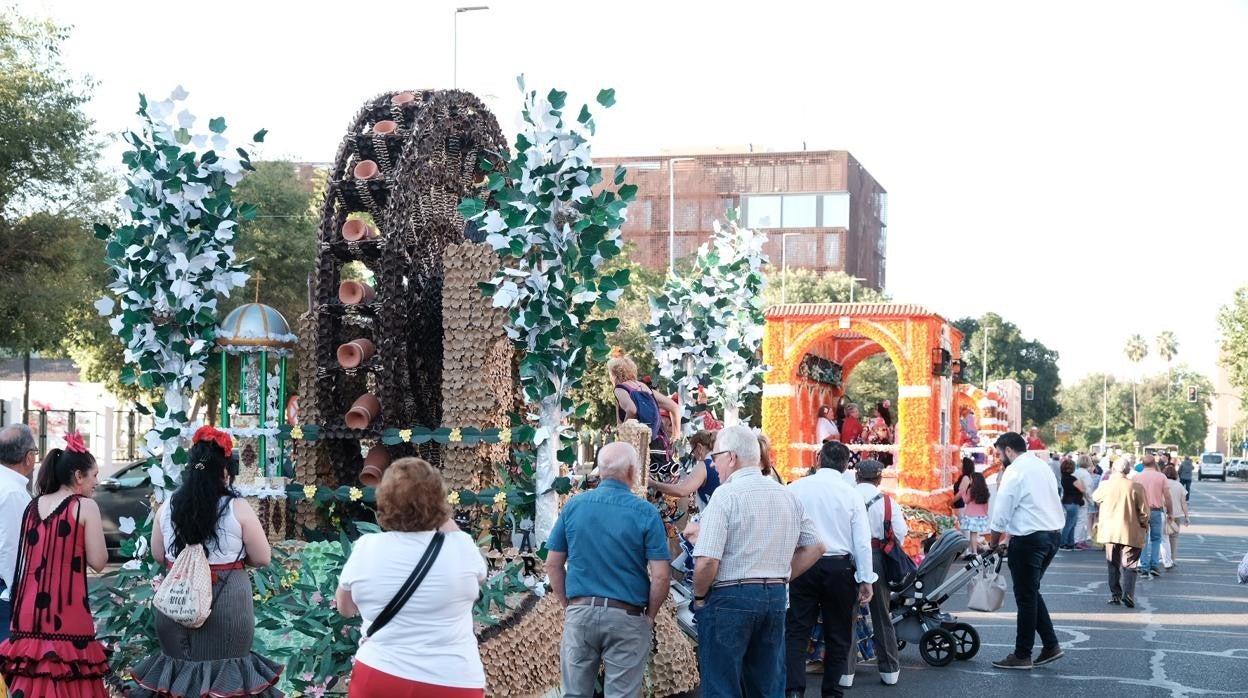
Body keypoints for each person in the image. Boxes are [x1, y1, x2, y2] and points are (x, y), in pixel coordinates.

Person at [132, 426, 281, 697]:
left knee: (177, 674)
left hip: (177, 603)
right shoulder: (237, 508)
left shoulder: (168, 507)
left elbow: (158, 554)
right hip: (226, 605)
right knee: (226, 677)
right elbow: (262, 557)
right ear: (224, 471)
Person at [691, 424, 825, 697]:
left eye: (714, 456)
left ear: (731, 457)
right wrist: (783, 576)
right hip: (774, 595)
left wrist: (700, 596)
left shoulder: (726, 494)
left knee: (722, 684)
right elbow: (816, 546)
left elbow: (707, 560)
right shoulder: (786, 494)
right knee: (767, 684)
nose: (713, 464)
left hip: (730, 595)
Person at [337, 457, 486, 697]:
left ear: (383, 501)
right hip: (452, 677)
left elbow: (345, 609)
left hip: (380, 674)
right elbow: (479, 579)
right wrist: (435, 512)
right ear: (440, 499)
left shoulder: (366, 548)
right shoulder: (461, 546)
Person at [547, 442, 669, 697]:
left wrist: (568, 605)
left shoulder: (574, 506)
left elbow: (553, 563)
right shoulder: (646, 513)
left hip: (581, 611)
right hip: (627, 615)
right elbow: (660, 575)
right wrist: (650, 616)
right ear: (633, 472)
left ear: (600, 472)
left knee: (574, 694)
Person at [0, 432, 109, 697]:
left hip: (28, 609)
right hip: (66, 607)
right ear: (78, 476)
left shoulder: (33, 505)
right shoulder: (84, 506)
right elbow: (98, 561)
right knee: (70, 678)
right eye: (94, 475)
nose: (98, 481)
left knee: (34, 677)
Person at [783, 441, 873, 696]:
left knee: (797, 630)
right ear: (846, 465)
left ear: (818, 459)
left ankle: (794, 690)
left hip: (803, 563)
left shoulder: (796, 488)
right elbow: (862, 541)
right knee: (839, 633)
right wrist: (866, 578)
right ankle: (832, 691)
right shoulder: (851, 493)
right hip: (839, 568)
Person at [987, 432, 1065, 671]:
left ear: (1009, 450)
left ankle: (1022, 654)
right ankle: (1050, 645)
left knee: (1026, 597)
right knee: (1031, 592)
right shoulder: (1042, 466)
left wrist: (994, 540)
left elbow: (1002, 508)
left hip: (1029, 539)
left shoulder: (1015, 471)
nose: (1000, 458)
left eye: (1000, 453)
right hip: (1052, 535)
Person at [854, 459, 903, 687]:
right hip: (877, 557)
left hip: (849, 557)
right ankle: (889, 670)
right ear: (879, 478)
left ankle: (845, 673)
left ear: (857, 476)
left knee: (847, 615)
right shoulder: (887, 502)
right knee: (882, 614)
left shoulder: (847, 496)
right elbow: (900, 533)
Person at [1092, 456, 1149, 608]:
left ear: (1113, 469)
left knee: (1113, 563)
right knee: (1130, 564)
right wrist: (1144, 525)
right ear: (1128, 469)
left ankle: (1115, 594)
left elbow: (1095, 498)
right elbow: (1144, 512)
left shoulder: (1106, 485)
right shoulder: (1136, 487)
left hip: (1110, 531)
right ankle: (1128, 594)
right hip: (1131, 530)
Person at [0, 425, 37, 643]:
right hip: (6, 592)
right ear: (28, 457)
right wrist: (20, 595)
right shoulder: (12, 492)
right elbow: (11, 548)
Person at [650, 430, 718, 510]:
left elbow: (682, 490)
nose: (694, 456)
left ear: (699, 447)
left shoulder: (704, 465)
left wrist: (653, 484)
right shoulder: (721, 460)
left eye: (693, 452)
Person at [1133, 455, 1172, 578]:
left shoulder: (1136, 477)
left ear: (1142, 464)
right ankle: (1154, 565)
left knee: (1142, 540)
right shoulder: (1161, 477)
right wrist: (1170, 512)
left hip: (1140, 511)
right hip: (1156, 510)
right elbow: (1167, 496)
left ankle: (1144, 566)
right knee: (1156, 539)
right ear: (1154, 463)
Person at [1162, 464, 1190, 568]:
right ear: (1175, 474)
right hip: (1176, 515)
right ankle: (1172, 559)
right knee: (1173, 538)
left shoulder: (1162, 484)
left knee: (1163, 537)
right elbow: (1184, 503)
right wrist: (1187, 516)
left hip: (1163, 513)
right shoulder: (1179, 485)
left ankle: (1164, 558)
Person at [1059, 459, 1087, 550]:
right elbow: (1082, 489)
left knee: (1071, 523)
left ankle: (1070, 543)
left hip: (1066, 501)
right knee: (1070, 524)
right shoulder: (1072, 479)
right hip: (1073, 502)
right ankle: (1063, 543)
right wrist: (1081, 482)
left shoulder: (1064, 478)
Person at [961, 471, 991, 555]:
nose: (970, 481)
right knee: (974, 533)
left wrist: (963, 491)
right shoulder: (985, 491)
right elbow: (986, 505)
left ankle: (974, 552)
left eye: (971, 479)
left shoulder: (971, 490)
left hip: (971, 516)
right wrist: (985, 513)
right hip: (981, 516)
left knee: (973, 534)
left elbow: (966, 501)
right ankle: (971, 550)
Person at [1079, 455, 1100, 547]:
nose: (1091, 468)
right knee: (1088, 516)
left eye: (1092, 467)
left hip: (1095, 497)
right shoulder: (1085, 475)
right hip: (1088, 498)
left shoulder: (1098, 477)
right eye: (1090, 466)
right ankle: (1088, 533)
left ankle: (1092, 533)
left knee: (1095, 516)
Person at [953, 457, 974, 528]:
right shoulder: (963, 477)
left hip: (961, 506)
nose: (959, 463)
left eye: (961, 461)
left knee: (964, 528)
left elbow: (960, 494)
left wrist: (950, 501)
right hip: (959, 506)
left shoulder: (965, 477)